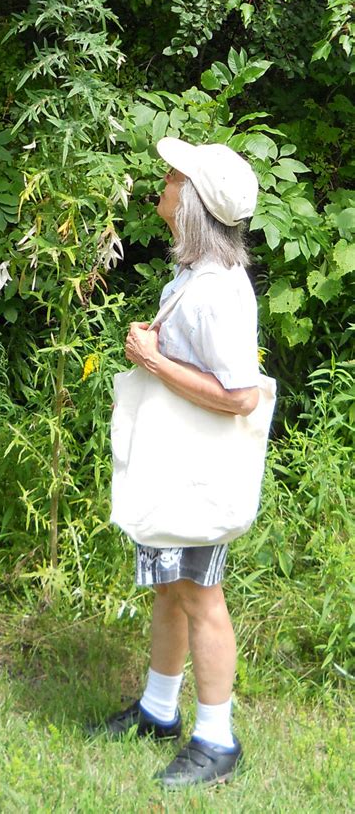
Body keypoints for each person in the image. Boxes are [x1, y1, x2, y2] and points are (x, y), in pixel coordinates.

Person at [93, 136, 262, 789]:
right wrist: (159, 347)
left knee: (201, 597)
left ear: (190, 203)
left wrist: (155, 361)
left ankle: (217, 740)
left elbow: (241, 394)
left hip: (199, 472)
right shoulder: (193, 275)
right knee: (171, 587)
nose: (162, 184)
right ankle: (158, 711)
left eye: (172, 178)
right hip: (178, 465)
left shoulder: (220, 290)